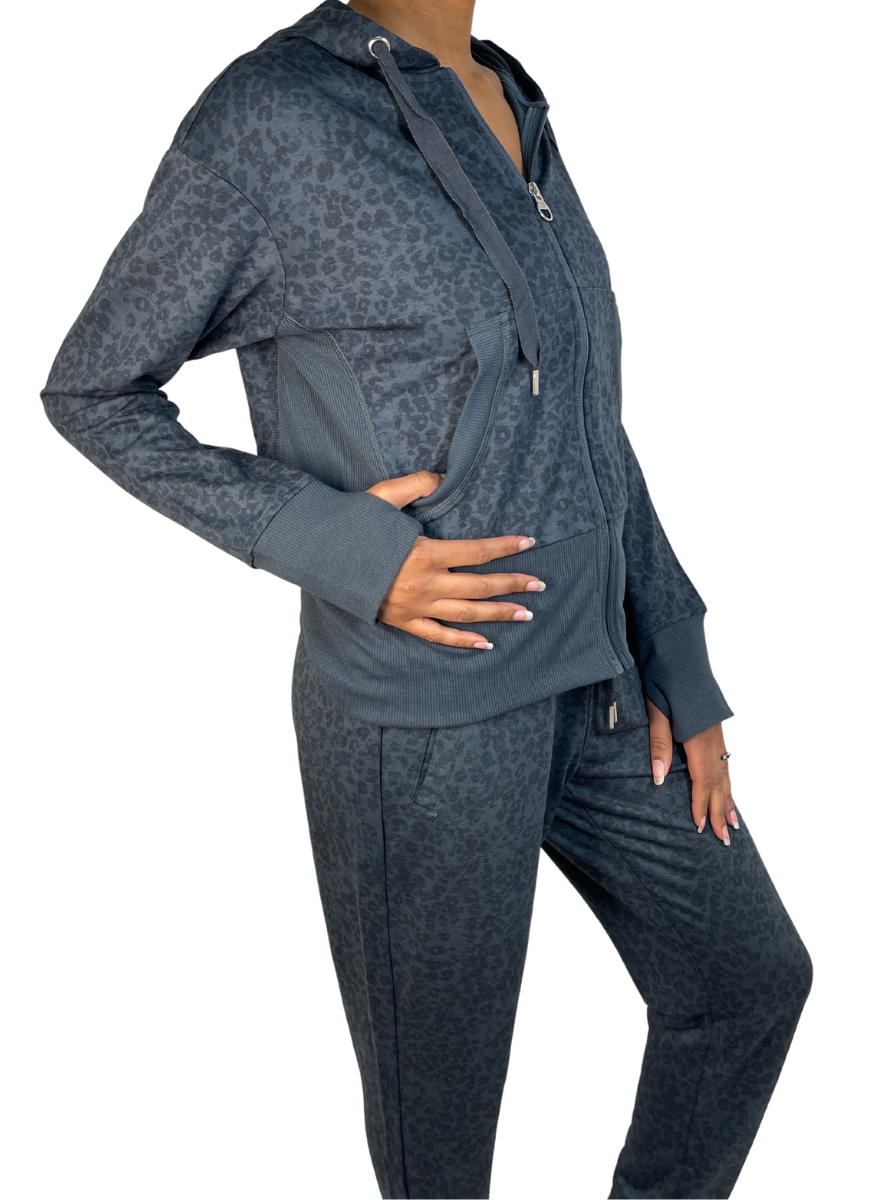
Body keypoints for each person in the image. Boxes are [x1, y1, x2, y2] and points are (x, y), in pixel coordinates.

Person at [41, 1, 813, 1196]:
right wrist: (339, 544)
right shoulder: (274, 116)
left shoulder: (507, 95)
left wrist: (673, 643)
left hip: (605, 688)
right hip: (423, 723)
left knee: (748, 984)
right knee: (440, 1151)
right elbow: (93, 388)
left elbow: (582, 412)